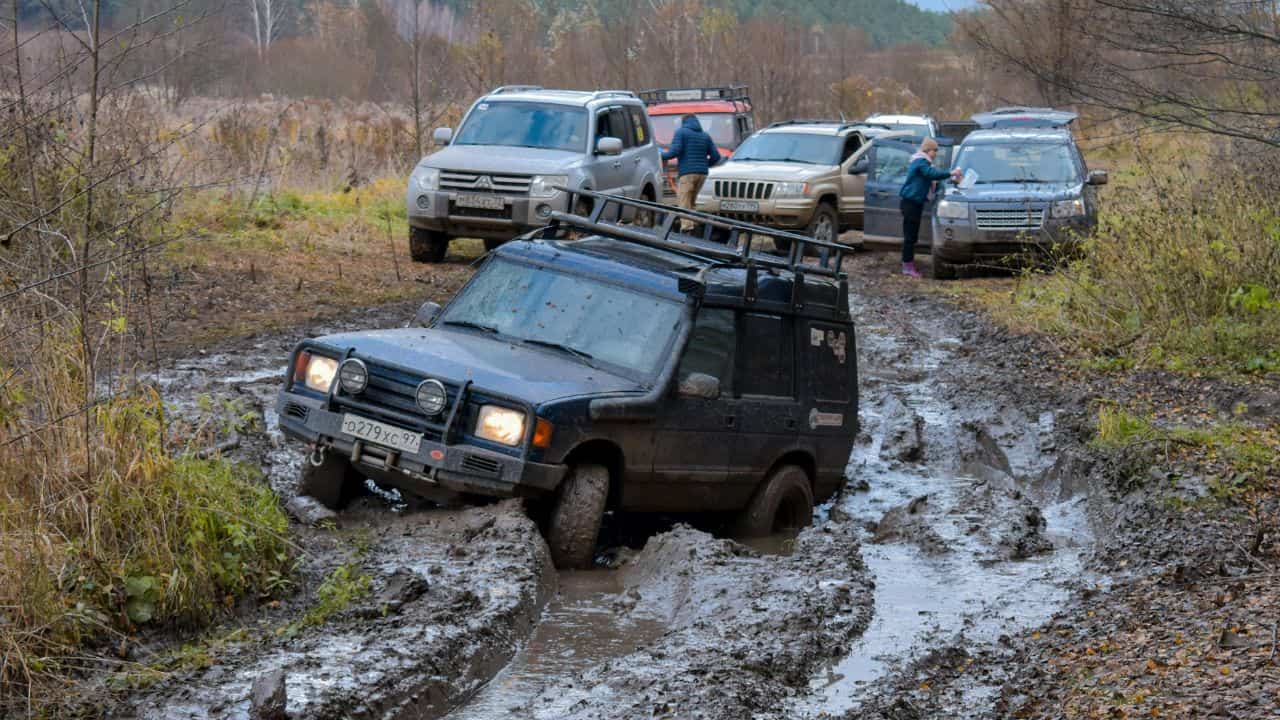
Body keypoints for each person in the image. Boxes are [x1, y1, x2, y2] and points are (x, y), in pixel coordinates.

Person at [898, 137, 962, 278]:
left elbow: (934, 179)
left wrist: (951, 179)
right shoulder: (921, 162)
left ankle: (908, 263)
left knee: (912, 236)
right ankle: (907, 266)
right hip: (910, 203)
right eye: (935, 150)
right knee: (910, 236)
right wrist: (951, 172)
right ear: (928, 150)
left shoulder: (923, 163)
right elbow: (931, 174)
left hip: (914, 203)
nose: (936, 153)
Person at [661, 115, 721, 232]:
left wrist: (660, 155)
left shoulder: (681, 133)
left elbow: (674, 152)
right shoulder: (705, 136)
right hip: (702, 174)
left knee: (683, 201)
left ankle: (686, 229)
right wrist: (703, 165)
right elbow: (716, 156)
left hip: (687, 173)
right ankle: (694, 226)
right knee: (691, 201)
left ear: (684, 122)